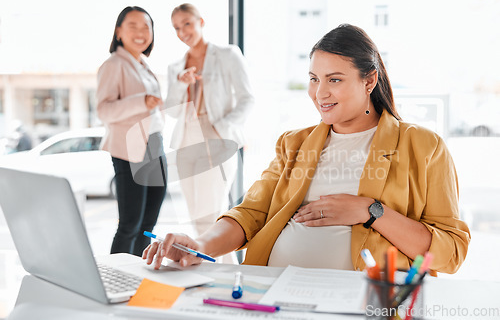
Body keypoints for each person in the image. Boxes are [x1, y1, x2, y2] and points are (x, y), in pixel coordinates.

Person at [143, 24, 470, 275]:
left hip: (361, 300)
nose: (320, 92)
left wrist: (370, 212)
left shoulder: (422, 145)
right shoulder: (294, 143)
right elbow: (251, 212)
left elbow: (451, 252)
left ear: (369, 81)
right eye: (314, 78)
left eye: (335, 79)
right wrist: (199, 246)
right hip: (274, 289)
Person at [165, 3, 254, 236]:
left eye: (187, 24)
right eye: (176, 28)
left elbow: (247, 99)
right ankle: (216, 271)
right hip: (186, 141)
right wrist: (181, 84)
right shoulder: (175, 67)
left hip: (217, 138)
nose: (183, 32)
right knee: (197, 218)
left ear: (200, 22)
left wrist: (220, 127)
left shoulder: (227, 55)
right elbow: (172, 111)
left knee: (212, 217)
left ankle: (223, 271)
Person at [97, 6, 167, 256]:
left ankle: (140, 275)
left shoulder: (143, 65)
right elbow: (104, 110)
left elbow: (153, 109)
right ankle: (117, 278)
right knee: (130, 225)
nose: (140, 32)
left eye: (146, 26)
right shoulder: (114, 64)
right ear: (118, 31)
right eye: (133, 26)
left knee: (148, 225)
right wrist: (141, 102)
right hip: (129, 149)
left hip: (155, 146)